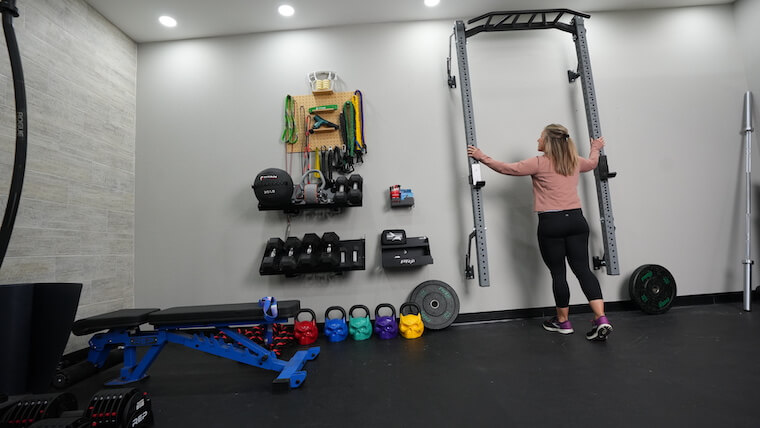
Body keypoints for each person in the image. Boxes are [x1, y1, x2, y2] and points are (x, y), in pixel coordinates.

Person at [467, 123, 612, 341]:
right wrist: (596, 147)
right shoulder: (574, 161)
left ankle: (563, 322)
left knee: (558, 273)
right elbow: (592, 163)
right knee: (583, 270)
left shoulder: (539, 163)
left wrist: (481, 156)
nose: (537, 141)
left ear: (549, 142)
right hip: (576, 220)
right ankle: (601, 318)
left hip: (551, 222)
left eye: (541, 137)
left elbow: (508, 168)